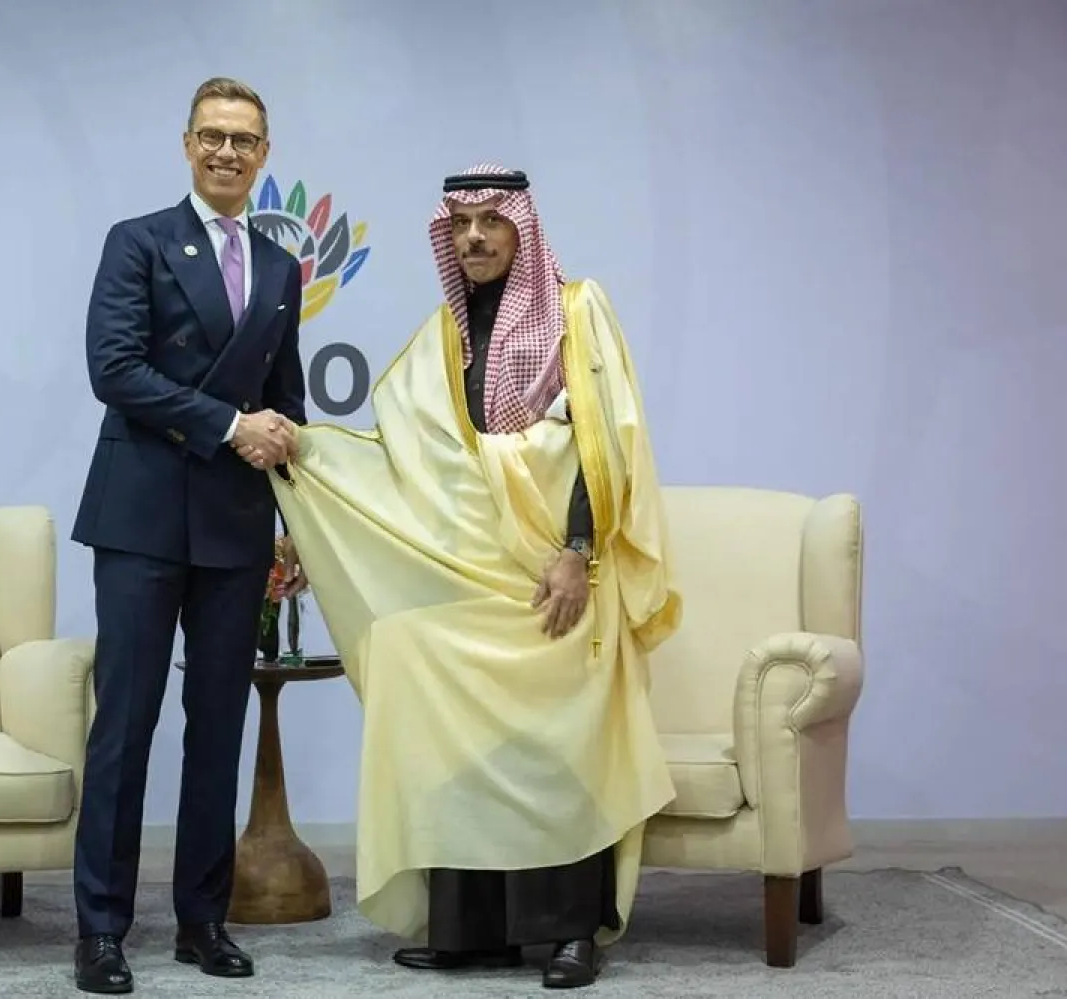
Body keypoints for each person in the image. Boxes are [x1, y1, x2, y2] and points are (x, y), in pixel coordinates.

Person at [274, 163, 681, 989]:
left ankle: (571, 929)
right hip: (480, 577)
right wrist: (300, 460)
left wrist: (578, 553)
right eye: (459, 225)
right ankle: (473, 928)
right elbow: (410, 461)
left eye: (491, 221)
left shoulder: (578, 313)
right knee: (415, 659)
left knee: (562, 722)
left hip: (561, 575)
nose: (474, 238)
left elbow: (604, 446)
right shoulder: (445, 336)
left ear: (522, 229)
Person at [68, 76, 305, 995]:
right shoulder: (137, 242)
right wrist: (227, 425)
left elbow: (285, 399)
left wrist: (287, 471)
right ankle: (100, 929)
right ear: (186, 144)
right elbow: (114, 370)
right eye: (212, 136)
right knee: (125, 727)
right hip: (139, 518)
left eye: (245, 140)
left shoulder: (283, 269)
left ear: (265, 154)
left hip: (238, 529)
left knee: (218, 728)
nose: (227, 153)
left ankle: (203, 920)